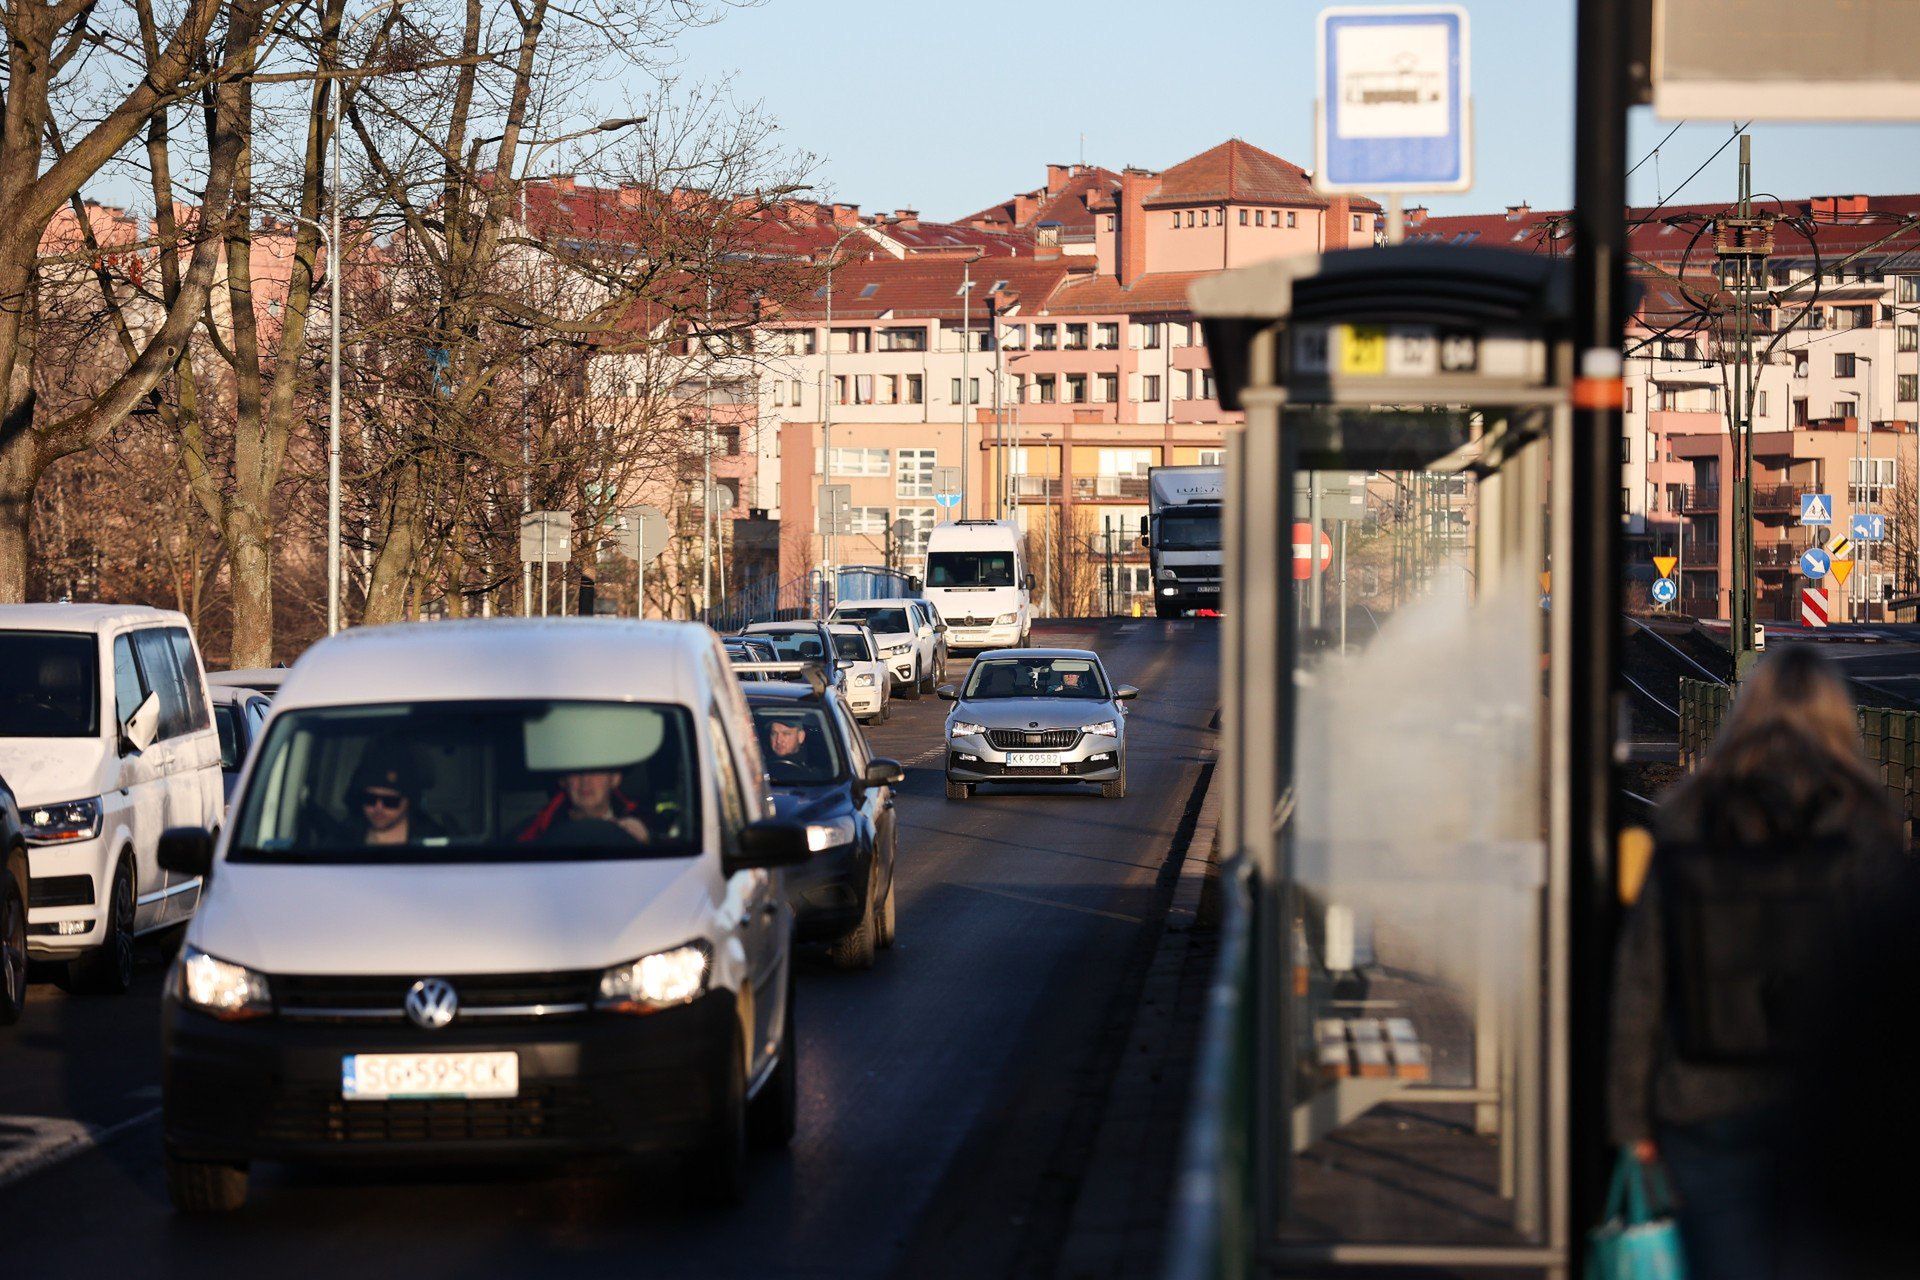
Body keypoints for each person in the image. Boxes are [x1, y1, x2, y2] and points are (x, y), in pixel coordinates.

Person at [1607, 646, 1904, 1280]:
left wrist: (1631, 1118)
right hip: (1826, 1101)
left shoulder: (1692, 817)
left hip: (1703, 1098)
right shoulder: (1866, 827)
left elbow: (1643, 977)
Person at [343, 744, 441, 846]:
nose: (378, 808)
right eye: (370, 799)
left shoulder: (433, 839)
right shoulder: (345, 835)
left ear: (409, 801)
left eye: (390, 801)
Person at [518, 769, 650, 844]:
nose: (585, 780)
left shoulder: (648, 822)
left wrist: (645, 843)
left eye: (596, 770)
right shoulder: (534, 831)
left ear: (614, 779)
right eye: (576, 771)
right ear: (563, 781)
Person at [761, 713, 823, 782]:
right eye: (774, 734)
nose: (778, 740)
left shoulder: (813, 771)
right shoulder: (761, 765)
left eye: (786, 734)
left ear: (801, 736)